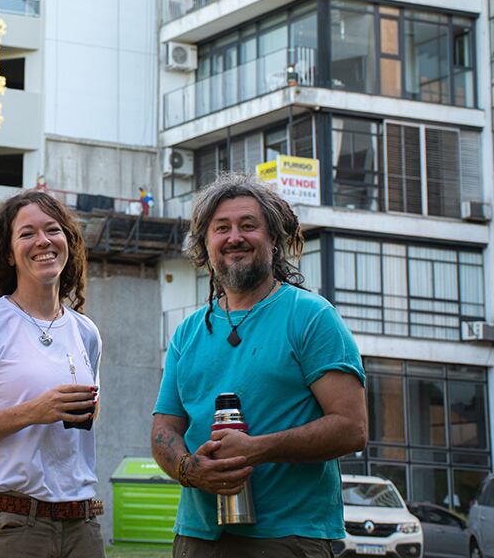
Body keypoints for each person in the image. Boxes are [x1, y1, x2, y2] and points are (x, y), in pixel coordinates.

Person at [151, 172, 367, 558]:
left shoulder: (311, 317)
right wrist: (190, 470)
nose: (234, 237)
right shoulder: (188, 332)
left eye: (248, 225)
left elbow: (352, 429)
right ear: (206, 243)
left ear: (274, 238)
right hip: (197, 535)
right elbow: (164, 428)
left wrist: (257, 449)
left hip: (288, 536)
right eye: (221, 228)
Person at [0, 189, 104, 558]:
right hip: (7, 527)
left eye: (53, 230)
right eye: (27, 233)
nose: (43, 241)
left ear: (68, 243)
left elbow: (82, 425)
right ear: (9, 254)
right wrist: (32, 412)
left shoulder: (85, 332)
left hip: (81, 526)